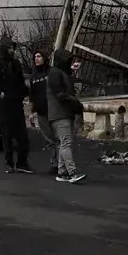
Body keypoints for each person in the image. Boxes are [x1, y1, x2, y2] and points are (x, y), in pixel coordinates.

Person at [0, 43, 32, 174]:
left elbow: (20, 81)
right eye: (9, 48)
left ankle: (22, 163)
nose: (12, 50)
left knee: (22, 135)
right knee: (7, 135)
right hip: (4, 104)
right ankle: (9, 163)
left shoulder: (16, 63)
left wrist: (24, 93)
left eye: (13, 48)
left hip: (16, 102)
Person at [45, 49, 86, 183]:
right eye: (68, 60)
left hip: (62, 114)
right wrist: (75, 103)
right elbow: (61, 94)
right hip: (60, 114)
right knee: (66, 143)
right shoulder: (55, 73)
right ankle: (72, 172)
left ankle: (62, 172)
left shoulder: (58, 73)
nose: (70, 62)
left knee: (64, 143)